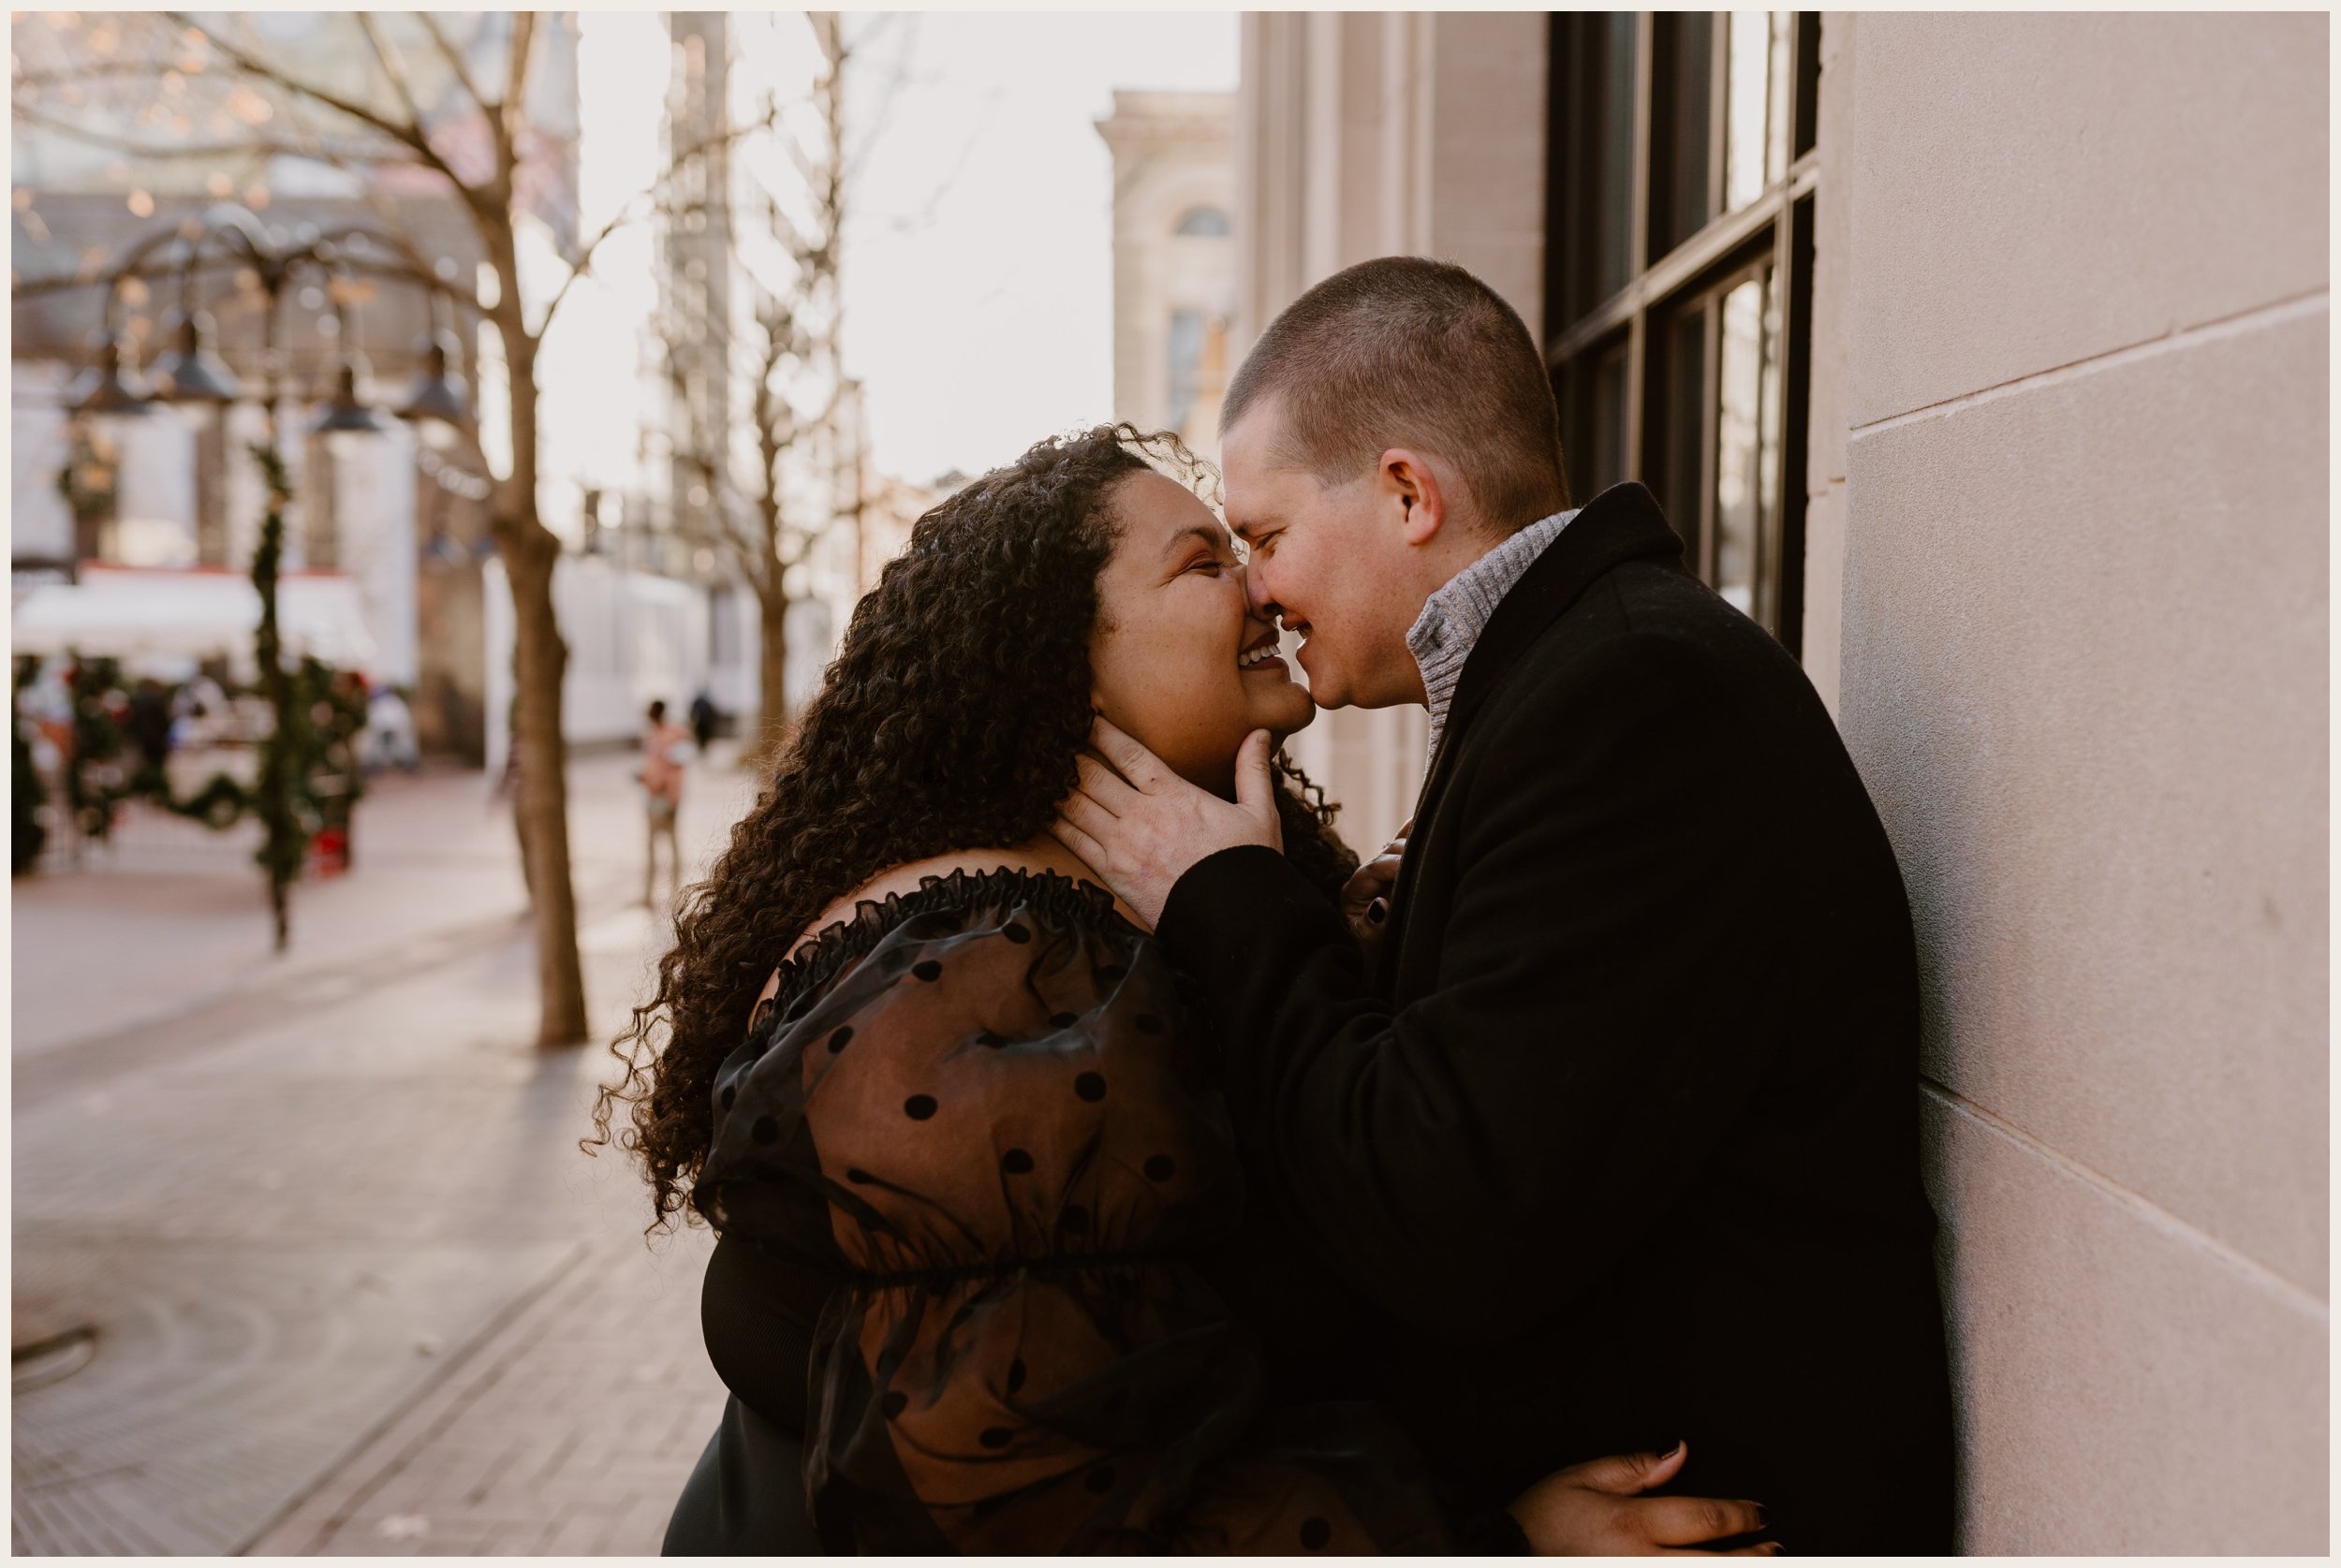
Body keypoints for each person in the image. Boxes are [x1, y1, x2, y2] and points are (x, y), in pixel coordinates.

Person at [591, 428, 1777, 1556]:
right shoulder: (996, 977)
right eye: (1205, 562)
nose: (1264, 589)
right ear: (1059, 661)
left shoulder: (1099, 919)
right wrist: (1500, 1543)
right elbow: (1043, 1510)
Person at [1053, 258, 1957, 1555]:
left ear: (1409, 492)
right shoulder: (1574, 679)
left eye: (1262, 536)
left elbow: (1449, 1211)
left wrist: (1229, 899)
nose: (1255, 591)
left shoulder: (1632, 698)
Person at [640, 698, 691, 907]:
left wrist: (674, 800)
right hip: (653, 798)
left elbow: (677, 771)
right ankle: (648, 895)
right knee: (651, 846)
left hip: (666, 799)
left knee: (671, 846)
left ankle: (675, 892)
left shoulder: (674, 736)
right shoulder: (653, 736)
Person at [688, 689, 719, 755]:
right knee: (702, 736)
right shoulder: (706, 702)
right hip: (703, 722)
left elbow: (693, 711)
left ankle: (702, 748)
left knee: (703, 736)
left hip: (703, 722)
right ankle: (702, 748)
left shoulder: (704, 702)